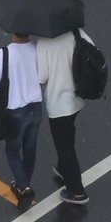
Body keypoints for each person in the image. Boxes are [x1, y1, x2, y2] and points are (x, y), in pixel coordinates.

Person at [37, 29, 92, 205]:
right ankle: (63, 168)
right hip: (77, 99)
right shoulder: (79, 34)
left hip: (58, 104)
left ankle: (77, 191)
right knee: (68, 133)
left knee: (64, 146)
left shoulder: (45, 42)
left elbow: (42, 76)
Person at [0, 33, 42, 202]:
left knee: (12, 150)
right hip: (36, 107)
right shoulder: (35, 50)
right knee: (30, 148)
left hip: (15, 110)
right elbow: (43, 76)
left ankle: (24, 186)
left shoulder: (4, 53)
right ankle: (23, 184)